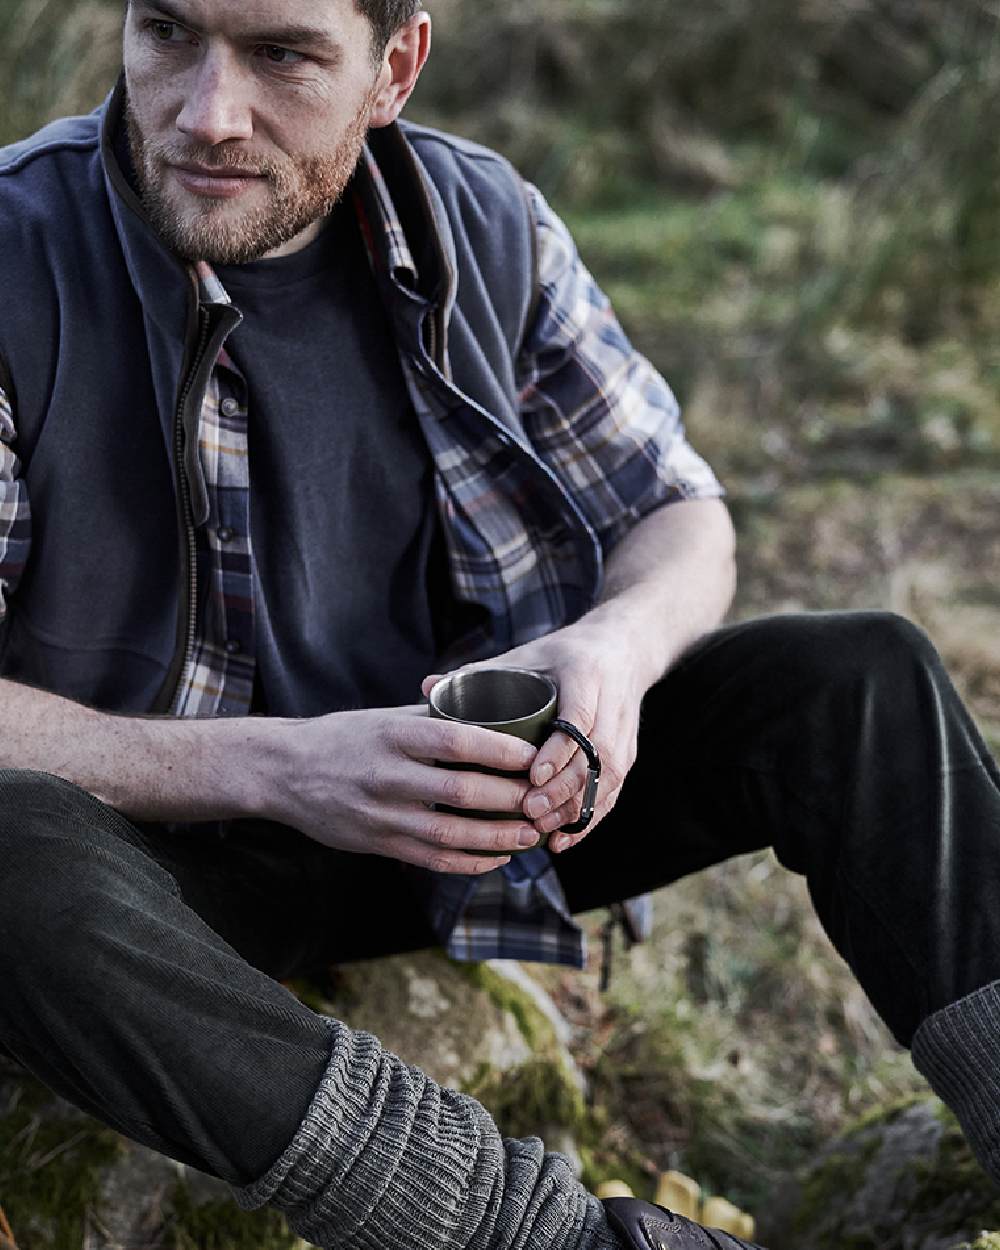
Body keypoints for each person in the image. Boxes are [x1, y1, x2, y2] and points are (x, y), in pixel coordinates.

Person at [0, 1, 998, 1247]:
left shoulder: (487, 225)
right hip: (161, 863)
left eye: (282, 55)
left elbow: (683, 516)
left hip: (469, 814)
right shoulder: (12, 251)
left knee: (863, 677)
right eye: (167, 33)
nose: (207, 112)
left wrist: (610, 653)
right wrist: (285, 767)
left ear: (394, 70)